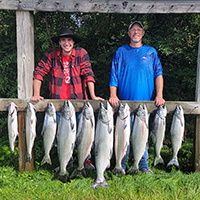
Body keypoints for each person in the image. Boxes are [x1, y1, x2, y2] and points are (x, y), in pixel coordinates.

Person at [31, 27, 104, 169]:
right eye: (63, 40)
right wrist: (36, 93)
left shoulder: (81, 54)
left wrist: (93, 96)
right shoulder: (51, 55)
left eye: (69, 40)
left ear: (73, 42)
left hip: (79, 103)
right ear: (59, 42)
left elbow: (88, 74)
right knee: (61, 136)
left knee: (84, 134)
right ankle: (66, 161)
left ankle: (86, 160)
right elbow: (39, 72)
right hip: (59, 104)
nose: (66, 43)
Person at [109, 21, 165, 174]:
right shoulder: (121, 52)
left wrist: (159, 95)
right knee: (124, 136)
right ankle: (122, 165)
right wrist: (113, 95)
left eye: (138, 29)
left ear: (143, 33)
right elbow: (114, 75)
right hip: (124, 105)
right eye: (132, 30)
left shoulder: (151, 52)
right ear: (128, 33)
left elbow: (158, 75)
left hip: (144, 104)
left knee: (142, 136)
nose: (135, 32)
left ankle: (143, 166)